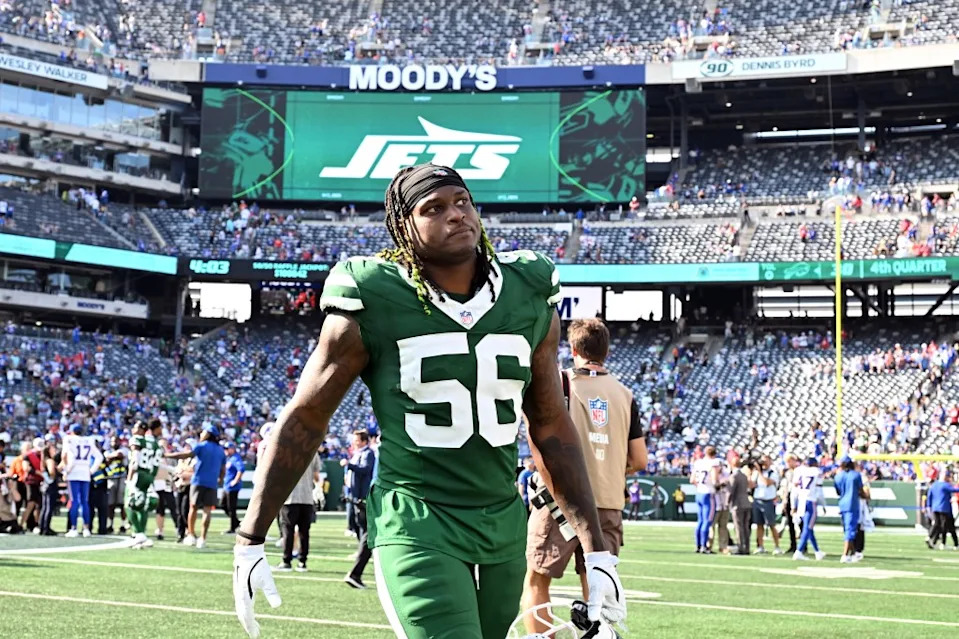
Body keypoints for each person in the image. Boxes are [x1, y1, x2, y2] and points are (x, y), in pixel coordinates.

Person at [233, 164, 625, 639]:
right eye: (433, 208)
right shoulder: (373, 293)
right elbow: (307, 416)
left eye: (462, 202)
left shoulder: (528, 289)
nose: (456, 215)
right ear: (403, 226)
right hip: (418, 518)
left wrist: (597, 550)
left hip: (502, 521)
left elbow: (549, 424)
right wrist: (250, 537)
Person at [521, 317, 646, 634]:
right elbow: (639, 460)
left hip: (559, 499)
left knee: (537, 579)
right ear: (606, 352)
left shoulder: (560, 383)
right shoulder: (625, 395)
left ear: (573, 348)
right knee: (598, 584)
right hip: (608, 501)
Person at [167, 425, 225, 549]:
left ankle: (191, 535)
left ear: (208, 434)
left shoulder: (201, 446)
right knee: (207, 511)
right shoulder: (220, 450)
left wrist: (167, 455)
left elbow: (186, 455)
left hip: (198, 481)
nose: (201, 434)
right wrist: (220, 479)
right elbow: (223, 469)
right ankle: (203, 538)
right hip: (212, 483)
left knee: (192, 508)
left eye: (203, 432)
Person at [276, 448, 322, 572]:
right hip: (307, 498)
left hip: (289, 497)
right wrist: (318, 489)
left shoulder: (285, 451)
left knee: (287, 531)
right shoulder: (312, 451)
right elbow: (316, 476)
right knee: (304, 532)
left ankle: (286, 561)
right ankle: (302, 561)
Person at [343, 430, 376, 587]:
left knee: (368, 532)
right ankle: (356, 572)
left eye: (357, 440)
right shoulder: (359, 453)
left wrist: (349, 465)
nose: (355, 442)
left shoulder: (369, 453)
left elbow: (366, 470)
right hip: (359, 498)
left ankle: (358, 569)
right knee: (365, 532)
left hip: (365, 496)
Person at [126, 420, 162, 549]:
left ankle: (138, 533)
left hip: (138, 474)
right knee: (142, 506)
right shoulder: (154, 444)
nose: (133, 429)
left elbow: (134, 461)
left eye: (135, 427)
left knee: (129, 504)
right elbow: (156, 464)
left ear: (141, 429)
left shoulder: (137, 440)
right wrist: (151, 477)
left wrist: (130, 479)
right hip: (149, 475)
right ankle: (140, 534)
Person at [63, 424, 99, 538]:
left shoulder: (69, 439)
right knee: (84, 502)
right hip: (85, 473)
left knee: (74, 501)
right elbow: (99, 457)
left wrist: (67, 471)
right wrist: (91, 470)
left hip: (74, 473)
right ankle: (86, 528)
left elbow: (71, 457)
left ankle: (73, 528)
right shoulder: (89, 440)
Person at [792, 457, 827, 561]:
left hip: (800, 501)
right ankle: (798, 551)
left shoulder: (799, 470)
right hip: (810, 501)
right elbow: (819, 490)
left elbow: (794, 490)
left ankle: (817, 551)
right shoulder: (816, 472)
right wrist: (824, 504)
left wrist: (794, 506)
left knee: (807, 528)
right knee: (808, 528)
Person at [834, 455, 865, 563]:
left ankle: (853, 553)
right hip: (852, 504)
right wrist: (865, 496)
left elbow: (838, 491)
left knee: (847, 529)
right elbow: (860, 490)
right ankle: (845, 554)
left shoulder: (838, 476)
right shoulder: (856, 475)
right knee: (850, 530)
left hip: (842, 504)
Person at [751, 455, 783, 555]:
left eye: (766, 461)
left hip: (768, 501)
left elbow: (767, 482)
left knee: (772, 525)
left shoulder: (773, 473)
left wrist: (759, 472)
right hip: (758, 500)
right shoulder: (756, 473)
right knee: (759, 525)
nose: (763, 463)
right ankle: (760, 546)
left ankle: (777, 546)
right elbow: (751, 485)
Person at [691, 446, 721, 553]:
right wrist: (719, 486)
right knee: (707, 521)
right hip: (708, 494)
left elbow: (692, 480)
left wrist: (700, 486)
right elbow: (714, 480)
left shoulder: (698, 462)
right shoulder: (713, 463)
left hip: (699, 492)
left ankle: (698, 545)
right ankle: (704, 546)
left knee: (700, 521)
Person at [925, 469, 959, 550]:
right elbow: (955, 490)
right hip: (944, 508)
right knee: (945, 525)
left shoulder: (934, 485)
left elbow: (929, 496)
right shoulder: (945, 485)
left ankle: (931, 538)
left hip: (935, 507)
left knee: (937, 524)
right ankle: (942, 542)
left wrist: (929, 506)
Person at [153, 443, 177, 541]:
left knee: (173, 509)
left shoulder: (170, 459)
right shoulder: (154, 460)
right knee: (160, 510)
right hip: (157, 486)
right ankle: (160, 530)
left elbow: (174, 472)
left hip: (168, 486)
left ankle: (178, 528)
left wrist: (174, 482)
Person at [728, 456, 751, 555]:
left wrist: (727, 503)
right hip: (746, 503)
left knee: (739, 527)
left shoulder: (734, 476)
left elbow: (731, 491)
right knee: (746, 527)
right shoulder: (744, 476)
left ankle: (741, 547)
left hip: (738, 504)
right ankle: (747, 547)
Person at [779, 454, 800, 554]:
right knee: (790, 523)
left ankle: (802, 545)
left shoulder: (799, 471)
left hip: (798, 497)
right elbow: (786, 487)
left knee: (800, 522)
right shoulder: (787, 472)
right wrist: (784, 500)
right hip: (789, 497)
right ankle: (793, 544)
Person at [224, 441, 245, 534]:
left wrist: (236, 480)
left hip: (232, 487)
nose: (225, 451)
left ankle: (233, 527)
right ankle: (236, 522)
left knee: (231, 507)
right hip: (227, 486)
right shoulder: (229, 458)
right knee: (223, 504)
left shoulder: (236, 458)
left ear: (232, 449)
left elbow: (241, 470)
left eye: (227, 449)